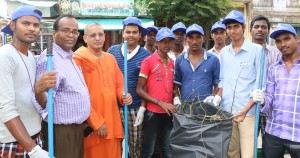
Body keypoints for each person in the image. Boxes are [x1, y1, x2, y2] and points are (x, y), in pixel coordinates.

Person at [32, 14, 91, 158]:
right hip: (62, 131)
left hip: (76, 129)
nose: (71, 35)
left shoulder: (69, 57)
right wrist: (39, 92)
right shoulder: (50, 59)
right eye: (66, 30)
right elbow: (43, 101)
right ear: (54, 33)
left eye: (75, 31)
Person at [73, 23, 133, 158]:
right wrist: (96, 122)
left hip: (112, 119)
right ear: (85, 38)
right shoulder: (78, 59)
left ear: (105, 37)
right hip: (92, 122)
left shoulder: (110, 58)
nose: (97, 38)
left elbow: (119, 83)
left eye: (100, 34)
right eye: (93, 35)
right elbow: (78, 96)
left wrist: (124, 95)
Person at [0, 6, 53, 158]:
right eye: (25, 23)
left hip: (33, 138)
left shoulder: (30, 56)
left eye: (36, 25)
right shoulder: (5, 56)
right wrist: (33, 149)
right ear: (12, 26)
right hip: (13, 142)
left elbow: (36, 101)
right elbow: (5, 108)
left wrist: (40, 89)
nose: (32, 28)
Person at [213, 10, 265, 158]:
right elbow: (222, 79)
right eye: (229, 27)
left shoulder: (257, 50)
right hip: (227, 111)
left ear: (243, 27)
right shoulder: (224, 52)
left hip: (248, 112)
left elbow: (259, 85)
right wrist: (217, 97)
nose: (232, 30)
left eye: (236, 26)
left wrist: (245, 109)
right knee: (231, 153)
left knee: (248, 154)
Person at [253, 23, 300, 158]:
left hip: (297, 133)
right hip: (274, 131)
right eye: (278, 41)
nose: (282, 44)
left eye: (286, 39)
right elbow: (269, 98)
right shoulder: (274, 68)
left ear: (296, 38)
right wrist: (262, 101)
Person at [108, 16, 150, 158]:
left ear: (140, 35)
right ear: (123, 33)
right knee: (114, 144)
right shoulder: (112, 52)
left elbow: (147, 86)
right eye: (128, 32)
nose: (130, 35)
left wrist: (143, 109)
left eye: (134, 32)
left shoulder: (146, 56)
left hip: (135, 108)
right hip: (114, 106)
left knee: (135, 144)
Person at [136, 27, 177, 158]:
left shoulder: (171, 63)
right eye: (163, 41)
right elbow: (139, 89)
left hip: (168, 112)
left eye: (169, 41)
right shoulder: (148, 61)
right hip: (153, 113)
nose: (167, 44)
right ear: (156, 43)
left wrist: (175, 98)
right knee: (149, 150)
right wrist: (160, 103)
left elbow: (172, 86)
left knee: (166, 149)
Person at [249, 15, 281, 151]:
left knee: (269, 146)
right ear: (250, 30)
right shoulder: (245, 51)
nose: (260, 30)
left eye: (263, 27)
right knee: (248, 146)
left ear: (268, 31)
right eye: (256, 27)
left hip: (269, 108)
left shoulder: (276, 53)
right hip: (248, 107)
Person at [174, 24, 220, 104]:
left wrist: (213, 96)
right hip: (185, 108)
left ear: (204, 39)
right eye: (191, 37)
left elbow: (218, 83)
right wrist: (176, 97)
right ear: (186, 39)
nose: (194, 41)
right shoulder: (180, 60)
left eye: (198, 37)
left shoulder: (213, 60)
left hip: (206, 108)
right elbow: (176, 83)